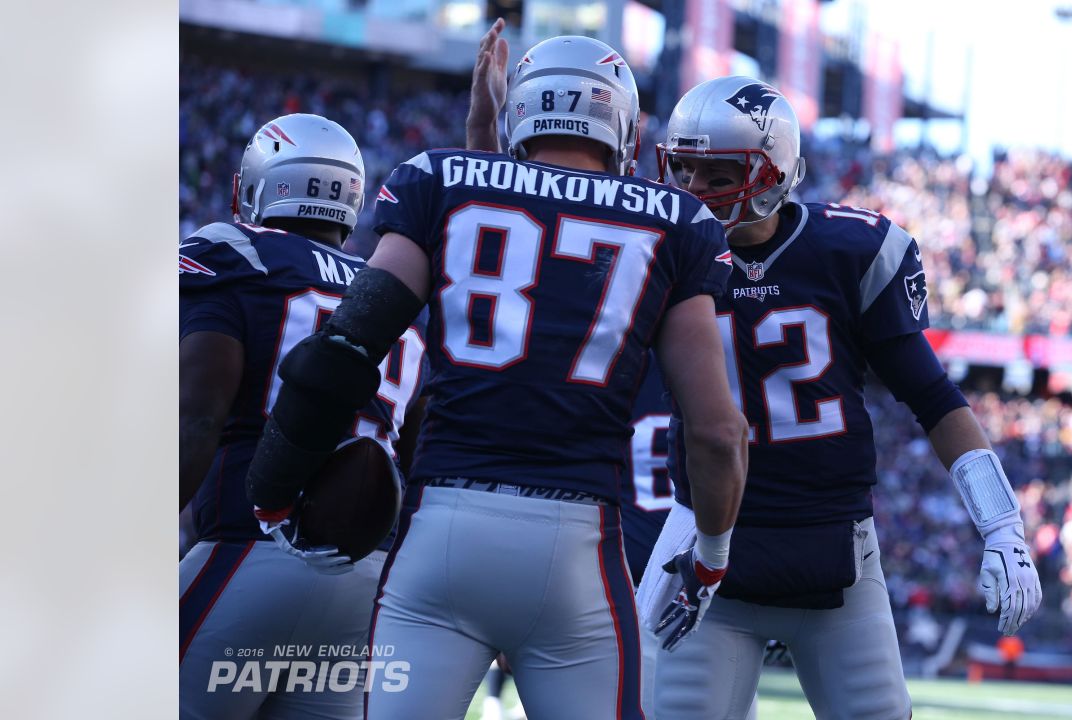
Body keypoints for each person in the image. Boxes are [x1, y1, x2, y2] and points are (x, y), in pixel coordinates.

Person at [244, 35, 748, 720]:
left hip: (441, 533)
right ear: (623, 127)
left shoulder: (440, 181)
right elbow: (718, 432)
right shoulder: (677, 222)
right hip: (580, 549)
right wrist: (711, 556)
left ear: (519, 115)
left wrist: (273, 489)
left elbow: (343, 351)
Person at [629, 77, 1044, 719]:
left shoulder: (848, 252)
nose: (692, 190)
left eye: (715, 174)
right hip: (702, 538)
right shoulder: (659, 248)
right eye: (681, 168)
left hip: (836, 544)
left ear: (771, 172)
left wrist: (1003, 527)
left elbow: (933, 397)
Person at [178, 113, 428, 719]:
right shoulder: (392, 298)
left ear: (253, 188)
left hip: (248, 548)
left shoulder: (232, 254)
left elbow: (198, 417)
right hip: (361, 586)